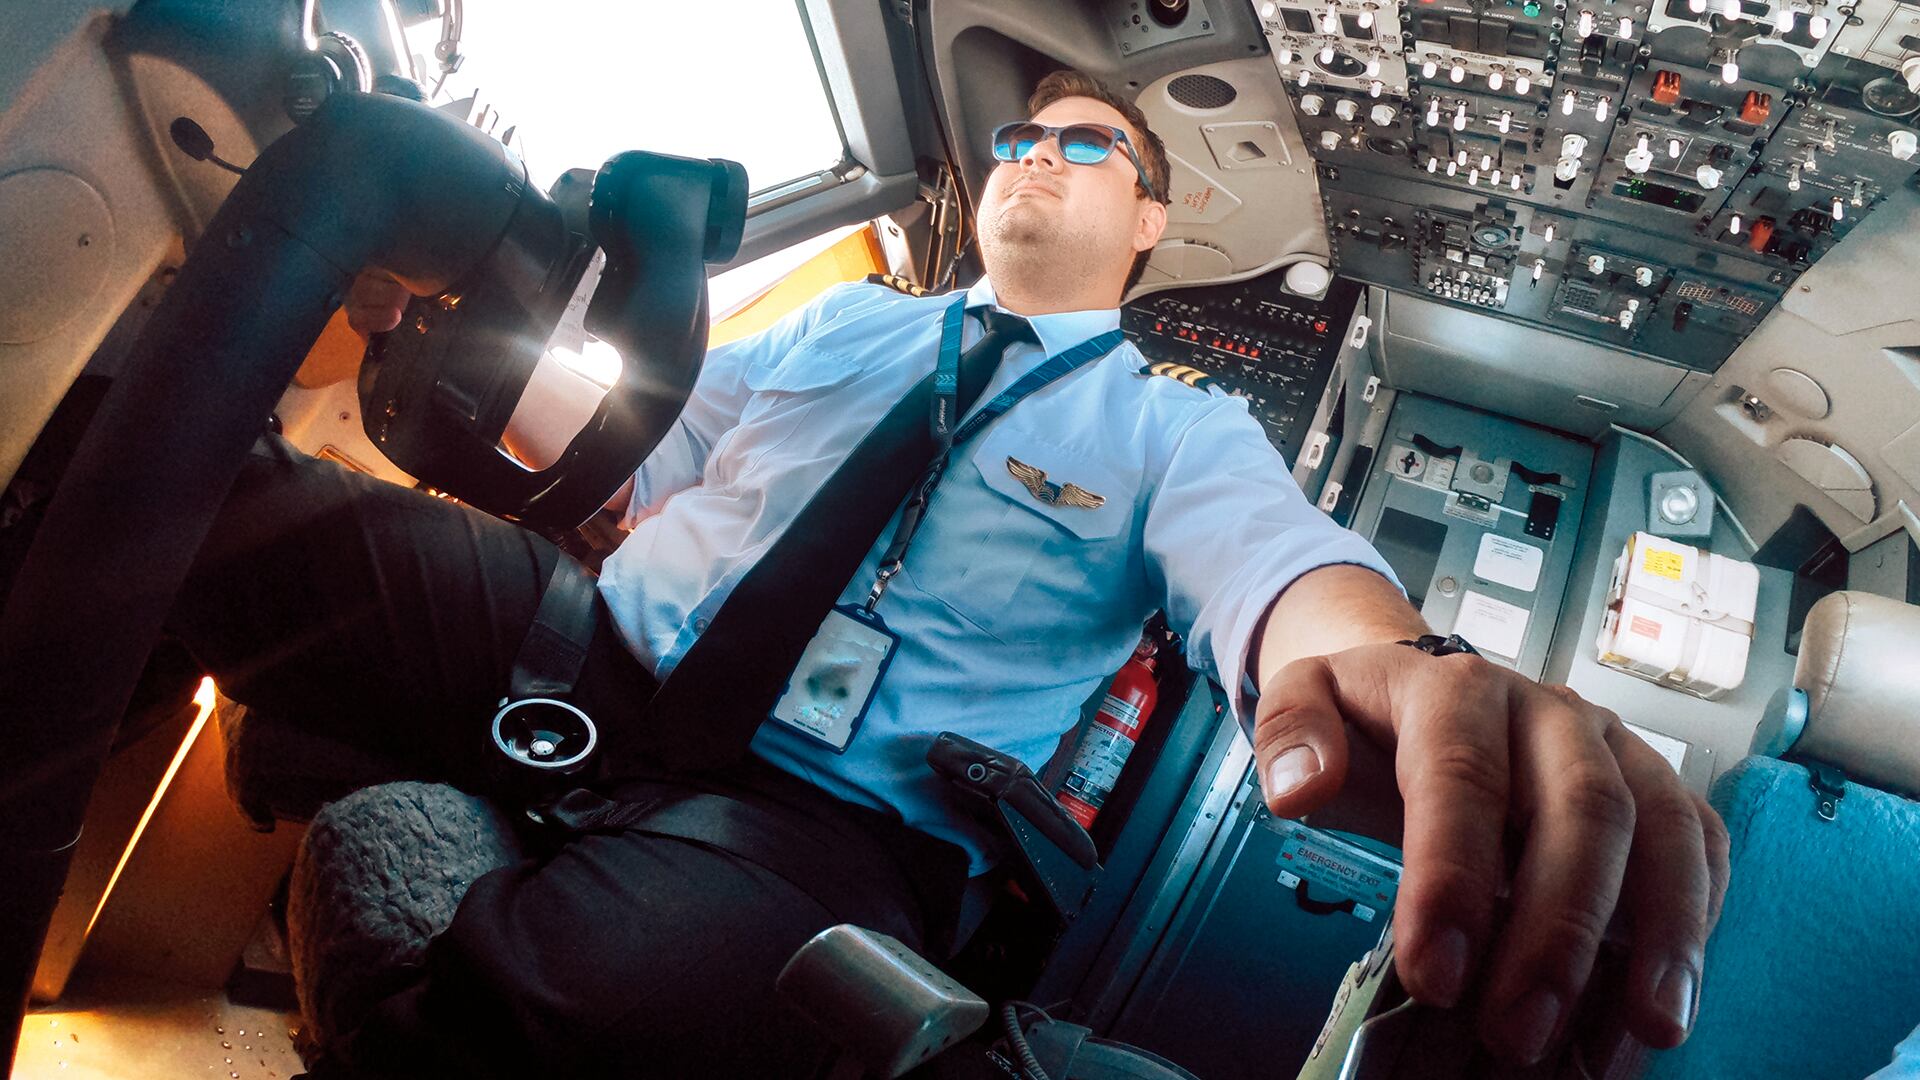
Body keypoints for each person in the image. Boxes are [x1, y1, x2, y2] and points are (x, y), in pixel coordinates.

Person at [170, 69, 1728, 1076]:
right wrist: (440, 341)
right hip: (587, 650)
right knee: (210, 506)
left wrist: (1388, 662)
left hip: (820, 818)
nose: (1037, 156)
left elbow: (1290, 575)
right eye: (1016, 135)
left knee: (560, 1024)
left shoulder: (1176, 432)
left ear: (1156, 220)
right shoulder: (845, 322)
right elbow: (629, 447)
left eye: (1087, 142)